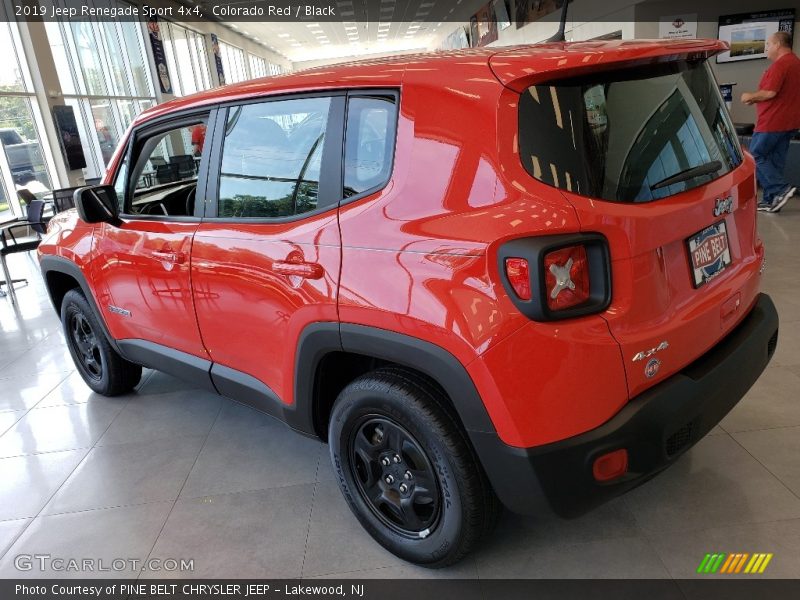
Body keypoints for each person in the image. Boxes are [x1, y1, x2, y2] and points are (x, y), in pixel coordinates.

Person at [741, 31, 800, 213]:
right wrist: (757, 99)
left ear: (778, 45)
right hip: (789, 122)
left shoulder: (781, 65)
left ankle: (780, 189)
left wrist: (749, 96)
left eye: (768, 44)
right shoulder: (796, 63)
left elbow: (770, 93)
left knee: (756, 155)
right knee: (775, 161)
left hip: (772, 121)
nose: (766, 48)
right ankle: (772, 200)